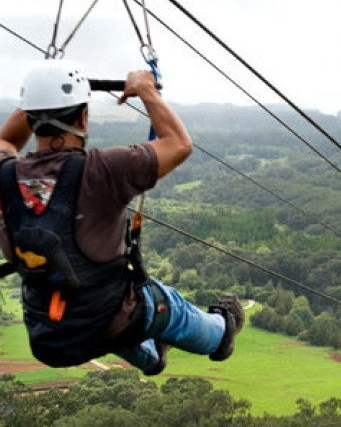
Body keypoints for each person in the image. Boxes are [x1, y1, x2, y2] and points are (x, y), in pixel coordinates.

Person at [0, 59, 244, 375]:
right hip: (112, 317)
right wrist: (146, 91)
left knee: (106, 312)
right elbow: (179, 145)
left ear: (30, 117)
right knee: (163, 304)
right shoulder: (101, 170)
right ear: (84, 117)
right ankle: (221, 333)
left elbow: (6, 141)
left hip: (50, 335)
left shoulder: (5, 177)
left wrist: (37, 100)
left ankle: (153, 357)